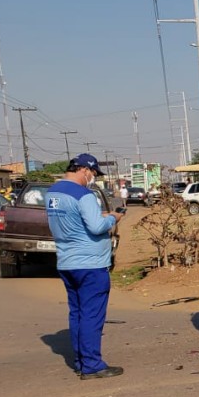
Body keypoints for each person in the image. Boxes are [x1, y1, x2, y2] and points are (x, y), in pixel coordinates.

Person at [46, 153, 125, 379]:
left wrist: (101, 216)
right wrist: (113, 219)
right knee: (92, 315)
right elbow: (97, 226)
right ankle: (92, 365)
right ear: (85, 170)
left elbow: (71, 220)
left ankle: (81, 361)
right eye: (93, 173)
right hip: (90, 264)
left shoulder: (53, 193)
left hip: (67, 262)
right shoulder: (84, 194)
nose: (93, 178)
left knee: (78, 314)